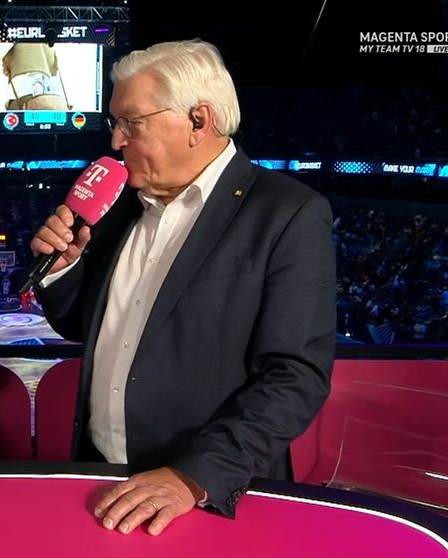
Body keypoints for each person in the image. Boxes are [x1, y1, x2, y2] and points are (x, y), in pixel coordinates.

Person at [29, 40, 335, 535]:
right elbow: (82, 324)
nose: (115, 142)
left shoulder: (286, 212)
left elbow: (295, 376)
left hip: (204, 494)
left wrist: (192, 477)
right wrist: (64, 269)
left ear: (199, 120)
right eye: (115, 123)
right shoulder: (121, 206)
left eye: (132, 122)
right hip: (101, 478)